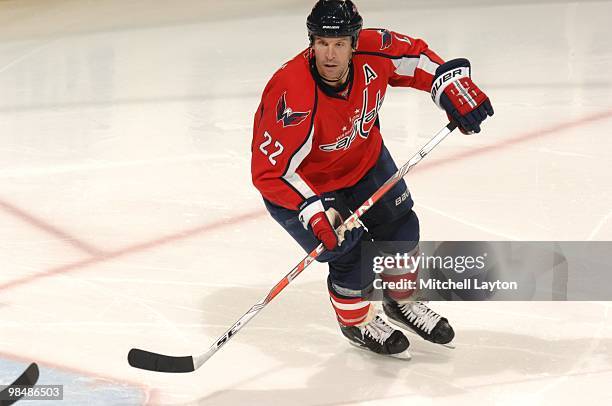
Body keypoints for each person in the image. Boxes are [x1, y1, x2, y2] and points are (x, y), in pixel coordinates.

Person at [251, 0, 493, 358]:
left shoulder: (374, 49)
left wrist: (449, 86)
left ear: (354, 42)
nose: (329, 54)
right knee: (351, 254)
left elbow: (417, 58)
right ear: (311, 42)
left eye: (339, 44)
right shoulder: (292, 92)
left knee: (402, 228)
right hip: (307, 188)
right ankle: (357, 321)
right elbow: (270, 172)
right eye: (321, 43)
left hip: (365, 162)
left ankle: (402, 301)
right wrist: (314, 212)